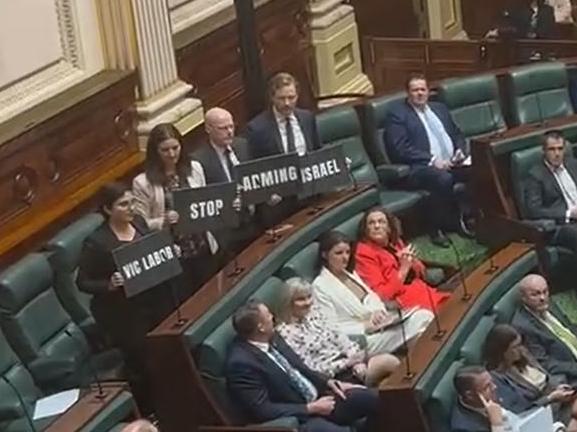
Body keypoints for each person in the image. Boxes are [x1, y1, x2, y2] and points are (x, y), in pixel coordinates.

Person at [78, 182, 174, 414]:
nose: (131, 207)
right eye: (123, 204)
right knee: (145, 365)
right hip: (125, 315)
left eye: (132, 202)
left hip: (154, 301)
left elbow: (152, 252)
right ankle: (152, 411)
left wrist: (169, 252)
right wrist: (109, 284)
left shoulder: (139, 223)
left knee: (167, 354)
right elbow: (82, 282)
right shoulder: (97, 243)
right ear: (108, 210)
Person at [226, 299, 379, 432]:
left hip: (320, 397)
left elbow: (301, 367)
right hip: (299, 418)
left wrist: (328, 382)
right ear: (261, 327)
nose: (272, 317)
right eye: (268, 315)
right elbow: (264, 410)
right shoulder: (241, 364)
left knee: (375, 399)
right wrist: (310, 408)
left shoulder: (272, 336)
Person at [132, 123, 220, 296]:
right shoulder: (142, 183)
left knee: (211, 294)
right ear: (155, 151)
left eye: (175, 148)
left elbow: (205, 199)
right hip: (173, 253)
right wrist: (162, 221)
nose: (172, 154)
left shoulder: (194, 168)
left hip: (201, 244)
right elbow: (140, 226)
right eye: (165, 150)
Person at [312, 230, 433, 355]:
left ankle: (419, 358)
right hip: (359, 340)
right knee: (422, 322)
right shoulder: (320, 286)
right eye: (338, 253)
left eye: (347, 252)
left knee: (422, 318)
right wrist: (365, 327)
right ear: (325, 255)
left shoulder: (350, 273)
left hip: (380, 327)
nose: (345, 258)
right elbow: (330, 329)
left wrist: (378, 312)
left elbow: (373, 297)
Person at [385, 73, 471, 247]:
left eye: (422, 89)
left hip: (452, 161)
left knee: (481, 168)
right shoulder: (398, 115)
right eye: (415, 90)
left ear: (428, 91)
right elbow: (400, 149)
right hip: (418, 168)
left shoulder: (439, 109)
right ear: (408, 93)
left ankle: (466, 218)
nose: (419, 93)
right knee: (443, 178)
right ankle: (436, 228)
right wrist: (432, 160)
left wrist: (460, 150)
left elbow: (457, 133)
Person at [276, 277, 400, 387]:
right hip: (333, 376)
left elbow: (339, 336)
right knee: (387, 363)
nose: (308, 303)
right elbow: (311, 369)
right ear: (288, 303)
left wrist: (356, 360)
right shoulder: (286, 333)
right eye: (301, 299)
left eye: (309, 297)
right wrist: (347, 363)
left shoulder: (315, 312)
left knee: (391, 373)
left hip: (352, 362)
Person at [244, 72, 321, 228]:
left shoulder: (307, 118)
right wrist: (266, 195)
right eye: (281, 98)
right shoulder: (257, 128)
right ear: (272, 98)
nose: (287, 103)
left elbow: (317, 151)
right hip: (279, 204)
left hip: (310, 195)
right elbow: (254, 169)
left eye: (291, 97)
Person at [192, 107, 260, 255]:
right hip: (225, 232)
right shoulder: (199, 160)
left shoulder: (242, 145)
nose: (229, 131)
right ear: (208, 129)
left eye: (231, 126)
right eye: (223, 128)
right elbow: (202, 199)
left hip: (251, 222)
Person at [354, 207, 449, 311]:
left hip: (421, 290)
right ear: (365, 230)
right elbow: (381, 295)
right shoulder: (363, 254)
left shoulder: (395, 241)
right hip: (403, 303)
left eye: (381, 222)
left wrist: (412, 260)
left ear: (389, 228)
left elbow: (420, 272)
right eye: (371, 223)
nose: (377, 226)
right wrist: (403, 269)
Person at [483, 324, 577, 426]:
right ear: (502, 351)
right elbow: (523, 411)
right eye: (515, 347)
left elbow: (545, 377)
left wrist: (558, 388)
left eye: (520, 344)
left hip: (562, 399)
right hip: (548, 415)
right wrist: (550, 398)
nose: (520, 349)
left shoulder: (523, 355)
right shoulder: (497, 379)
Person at [451, 365, 566, 432]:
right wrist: (496, 424)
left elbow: (524, 410)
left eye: (492, 382)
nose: (494, 387)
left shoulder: (495, 389)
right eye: (487, 387)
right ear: (470, 395)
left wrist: (550, 398)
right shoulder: (463, 427)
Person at [512, 274, 577, 382]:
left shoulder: (549, 304)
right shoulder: (523, 326)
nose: (542, 298)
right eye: (535, 294)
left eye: (545, 291)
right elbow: (545, 363)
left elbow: (569, 328)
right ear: (523, 297)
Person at [525, 130, 577, 261]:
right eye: (552, 149)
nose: (557, 154)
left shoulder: (572, 164)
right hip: (562, 226)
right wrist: (568, 213)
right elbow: (534, 211)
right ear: (544, 151)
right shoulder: (535, 175)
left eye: (560, 148)